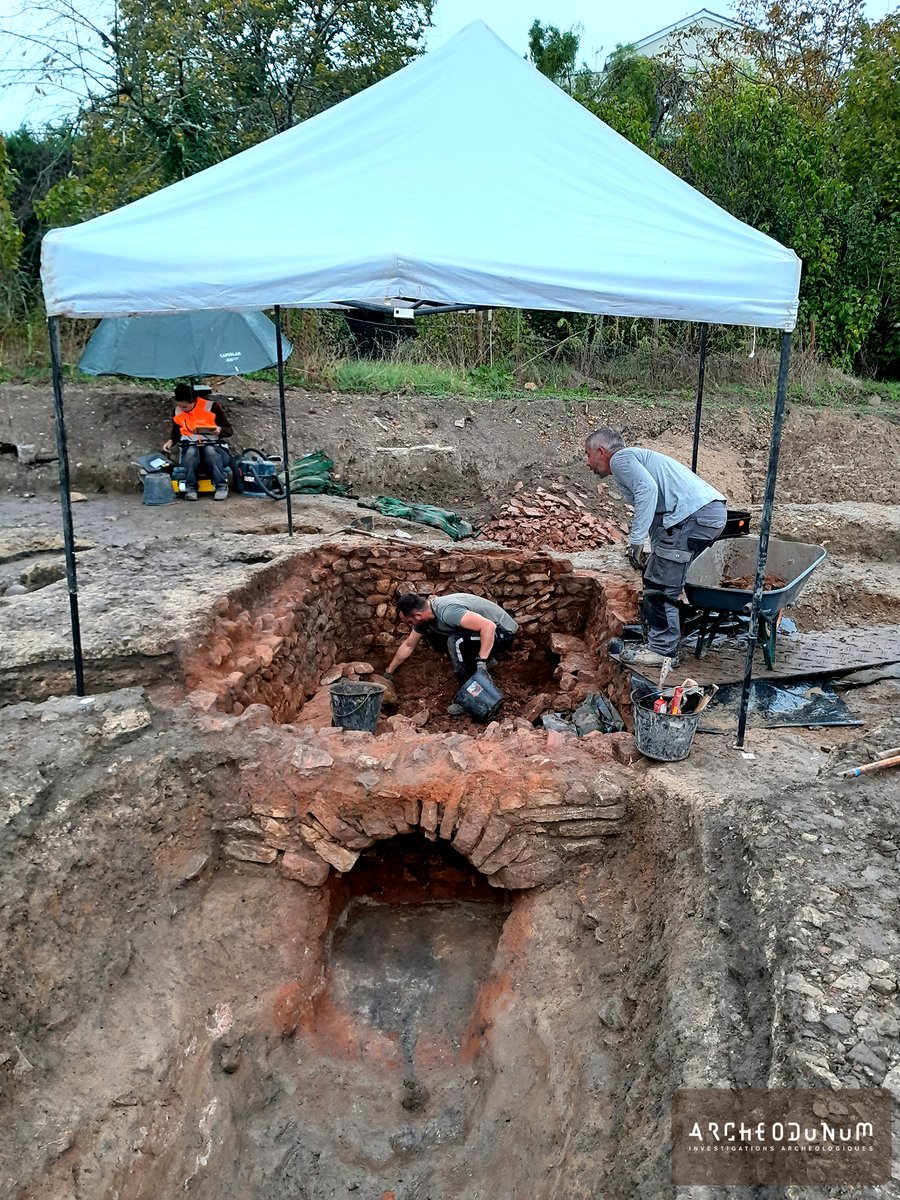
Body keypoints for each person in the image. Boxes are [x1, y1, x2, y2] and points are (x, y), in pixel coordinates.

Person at [585, 428, 727, 670]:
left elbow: (647, 493)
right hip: (703, 515)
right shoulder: (636, 461)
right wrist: (653, 546)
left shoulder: (621, 459)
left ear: (601, 451)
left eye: (587, 454)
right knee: (659, 576)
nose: (587, 462)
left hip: (694, 517)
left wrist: (637, 542)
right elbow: (657, 513)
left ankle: (663, 652)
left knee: (660, 585)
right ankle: (665, 641)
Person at [384, 592, 518, 715]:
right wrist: (389, 671)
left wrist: (481, 661)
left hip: (502, 632)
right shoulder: (425, 620)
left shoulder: (448, 612)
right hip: (482, 633)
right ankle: (483, 664)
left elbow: (489, 627)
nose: (410, 625)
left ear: (418, 616)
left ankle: (467, 696)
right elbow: (408, 645)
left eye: (409, 622)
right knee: (435, 637)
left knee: (455, 641)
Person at [162, 383, 233, 501]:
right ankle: (191, 489)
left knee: (209, 450)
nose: (183, 409)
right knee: (190, 452)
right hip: (191, 449)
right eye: (180, 406)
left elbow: (229, 430)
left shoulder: (212, 407)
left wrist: (219, 430)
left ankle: (221, 486)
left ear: (193, 401)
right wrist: (170, 441)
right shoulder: (177, 411)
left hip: (214, 449)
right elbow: (177, 432)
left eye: (185, 407)